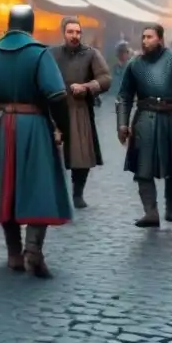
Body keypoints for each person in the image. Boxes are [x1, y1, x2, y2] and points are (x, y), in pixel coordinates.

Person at [0, 5, 72, 278]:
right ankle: (33, 250)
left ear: (8, 24)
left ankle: (13, 253)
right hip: (35, 126)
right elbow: (58, 96)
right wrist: (64, 129)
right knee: (39, 185)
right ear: (31, 26)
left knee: (5, 186)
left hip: (0, 126)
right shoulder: (40, 54)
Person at [116, 24, 172, 227]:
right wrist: (122, 125)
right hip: (144, 120)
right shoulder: (134, 64)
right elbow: (124, 96)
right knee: (143, 169)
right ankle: (151, 212)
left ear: (160, 39)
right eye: (143, 37)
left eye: (150, 37)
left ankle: (170, 203)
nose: (145, 41)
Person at [49, 17, 111, 209]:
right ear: (63, 33)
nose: (74, 36)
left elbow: (105, 78)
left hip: (79, 108)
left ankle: (78, 194)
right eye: (70, 32)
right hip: (54, 108)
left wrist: (87, 87)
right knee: (50, 154)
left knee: (80, 156)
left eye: (77, 32)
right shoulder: (51, 54)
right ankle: (53, 193)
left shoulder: (91, 54)